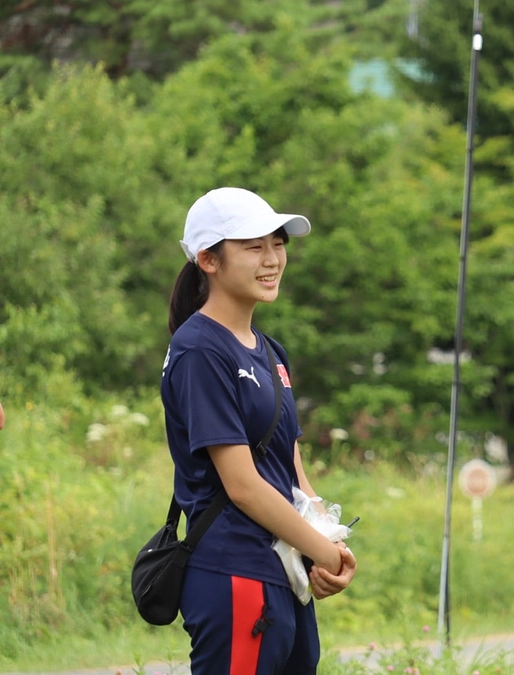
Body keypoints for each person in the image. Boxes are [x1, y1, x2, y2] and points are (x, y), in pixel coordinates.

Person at [161, 187, 357, 674]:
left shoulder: (271, 353)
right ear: (208, 259)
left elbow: (290, 472)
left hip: (284, 577)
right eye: (254, 246)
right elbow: (244, 486)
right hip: (233, 573)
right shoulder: (201, 350)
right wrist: (321, 553)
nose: (272, 259)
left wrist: (326, 543)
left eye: (279, 244)